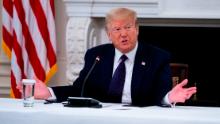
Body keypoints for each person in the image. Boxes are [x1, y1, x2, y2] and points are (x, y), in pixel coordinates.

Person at [17, 7, 196, 107]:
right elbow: (79, 89)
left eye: (128, 27)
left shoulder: (157, 57)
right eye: (117, 29)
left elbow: (160, 95)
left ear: (137, 29)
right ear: (109, 34)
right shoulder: (96, 56)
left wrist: (170, 97)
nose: (123, 34)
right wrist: (49, 92)